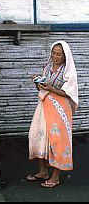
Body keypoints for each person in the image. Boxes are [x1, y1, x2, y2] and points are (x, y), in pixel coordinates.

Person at [27, 40, 78, 188]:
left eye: (58, 54)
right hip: (44, 105)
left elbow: (70, 93)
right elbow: (42, 89)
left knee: (57, 140)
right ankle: (43, 172)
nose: (55, 56)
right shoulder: (48, 67)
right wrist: (39, 84)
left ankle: (55, 177)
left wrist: (51, 88)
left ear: (65, 56)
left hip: (60, 109)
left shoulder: (68, 71)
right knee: (38, 136)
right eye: (53, 53)